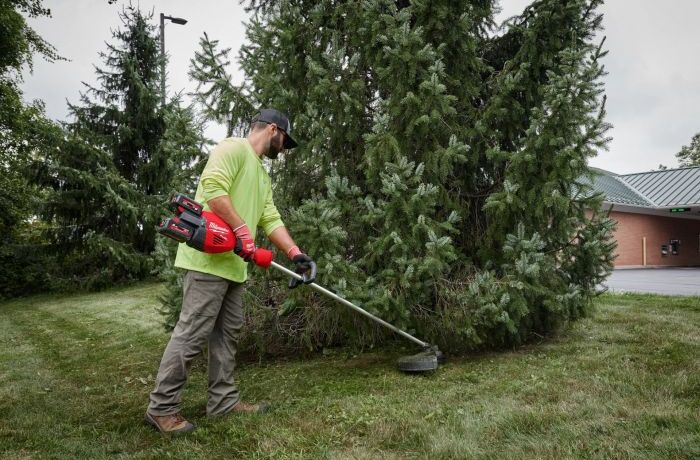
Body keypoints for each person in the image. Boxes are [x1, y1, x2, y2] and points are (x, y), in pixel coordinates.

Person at [145, 109, 313, 434]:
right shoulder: (234, 148)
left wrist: (296, 254)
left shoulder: (262, 174)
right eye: (284, 140)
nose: (284, 147)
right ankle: (161, 408)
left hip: (235, 267)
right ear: (273, 129)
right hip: (207, 263)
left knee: (227, 335)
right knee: (192, 334)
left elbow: (270, 219)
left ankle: (222, 402)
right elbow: (212, 187)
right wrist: (241, 229)